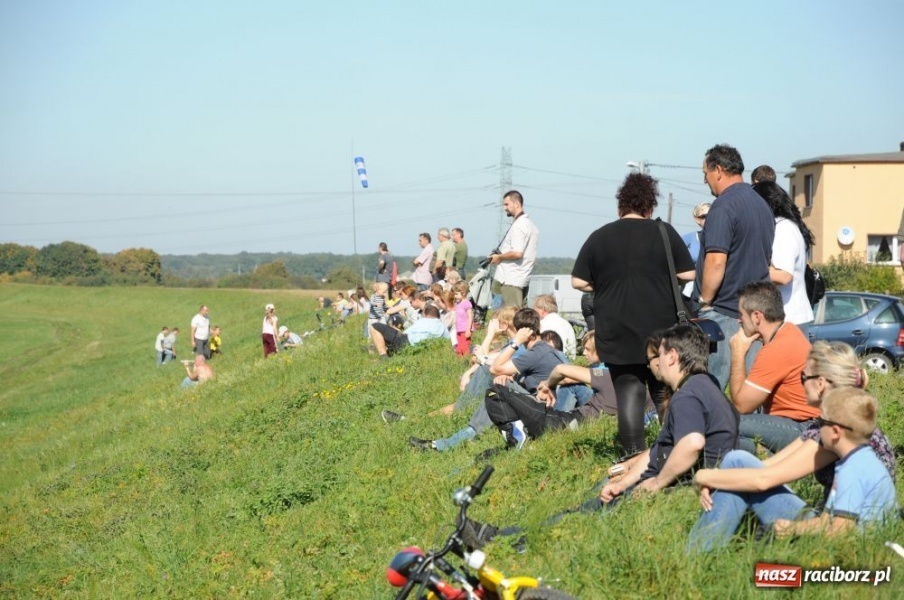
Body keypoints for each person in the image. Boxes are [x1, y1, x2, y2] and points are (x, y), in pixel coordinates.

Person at [685, 340, 895, 552]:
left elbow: (763, 480)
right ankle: (704, 550)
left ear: (820, 383)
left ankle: (697, 555)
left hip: (831, 531)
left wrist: (704, 476)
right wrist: (720, 477)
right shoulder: (831, 423)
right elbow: (767, 468)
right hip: (828, 520)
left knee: (736, 464)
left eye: (803, 377)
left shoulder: (836, 432)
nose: (800, 383)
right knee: (735, 460)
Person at [572, 172, 695, 454]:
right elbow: (689, 272)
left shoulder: (600, 236)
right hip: (660, 328)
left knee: (629, 390)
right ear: (650, 207)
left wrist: (606, 283)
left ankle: (633, 456)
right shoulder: (663, 232)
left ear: (620, 207)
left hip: (617, 328)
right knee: (665, 389)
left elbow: (578, 281)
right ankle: (673, 451)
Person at [409, 308, 562, 451]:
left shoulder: (534, 352)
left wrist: (516, 342)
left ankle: (458, 437)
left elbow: (495, 368)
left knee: (499, 385)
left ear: (519, 331)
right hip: (539, 404)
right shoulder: (541, 349)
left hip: (540, 409)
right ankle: (463, 420)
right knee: (501, 379)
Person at [696, 144, 775, 390]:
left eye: (705, 174)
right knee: (753, 389)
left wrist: (705, 299)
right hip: (756, 312)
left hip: (724, 311)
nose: (705, 181)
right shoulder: (761, 205)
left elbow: (716, 260)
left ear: (718, 170)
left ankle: (710, 429)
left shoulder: (723, 206)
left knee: (710, 390)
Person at [730, 282, 818, 454]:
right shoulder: (789, 332)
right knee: (731, 437)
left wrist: (738, 353)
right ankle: (766, 455)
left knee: (727, 421)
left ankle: (768, 457)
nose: (738, 320)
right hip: (800, 426)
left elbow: (741, 406)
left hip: (801, 428)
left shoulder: (777, 348)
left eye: (741, 314)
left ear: (757, 317)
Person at [753, 181, 815, 332]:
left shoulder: (783, 230)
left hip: (788, 317)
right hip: (791, 315)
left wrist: (749, 269)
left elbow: (784, 276)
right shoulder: (787, 226)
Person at [489, 190, 539, 308]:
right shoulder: (529, 224)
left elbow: (517, 253)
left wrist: (499, 257)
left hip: (511, 279)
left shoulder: (519, 226)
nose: (504, 208)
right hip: (520, 278)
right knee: (519, 316)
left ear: (517, 204)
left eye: (506, 204)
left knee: (510, 316)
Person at [370, 303, 448, 358]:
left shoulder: (423, 321)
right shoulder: (443, 326)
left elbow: (406, 333)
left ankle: (384, 357)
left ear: (425, 314)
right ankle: (388, 351)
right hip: (422, 347)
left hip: (407, 342)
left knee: (375, 326)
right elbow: (448, 339)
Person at [681, 202, 711, 300]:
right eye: (705, 216)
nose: (709, 219)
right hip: (691, 290)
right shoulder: (688, 238)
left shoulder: (723, 238)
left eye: (712, 215)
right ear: (697, 219)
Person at [533, 294, 576, 360]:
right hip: (568, 361)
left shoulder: (542, 324)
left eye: (535, 311)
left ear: (542, 310)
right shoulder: (567, 324)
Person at [452, 280, 473, 357]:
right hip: (459, 329)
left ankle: (467, 359)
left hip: (465, 329)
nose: (455, 296)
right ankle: (459, 359)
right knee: (459, 347)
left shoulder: (467, 303)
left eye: (456, 294)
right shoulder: (458, 303)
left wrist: (468, 330)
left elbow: (470, 317)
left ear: (463, 293)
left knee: (465, 347)